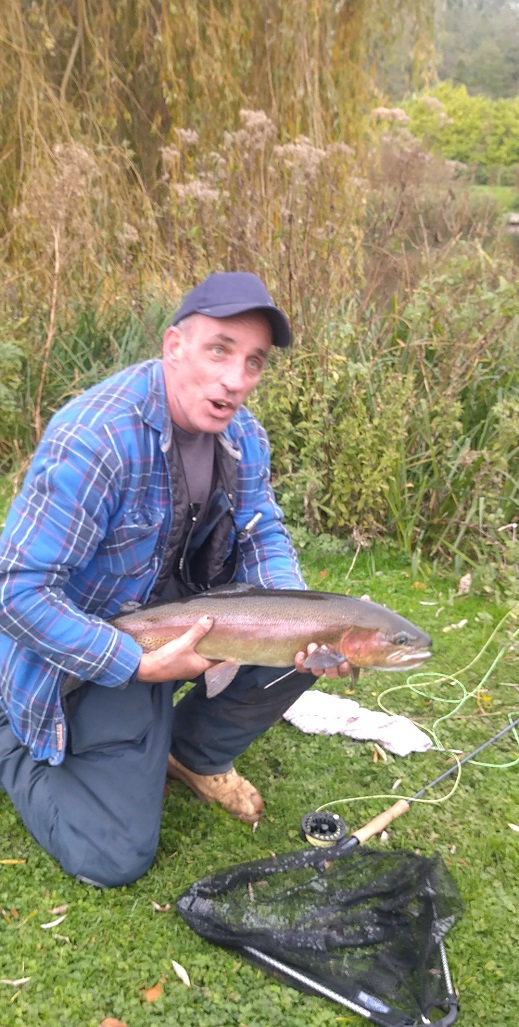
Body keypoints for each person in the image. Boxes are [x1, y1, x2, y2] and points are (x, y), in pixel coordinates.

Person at [0, 271, 350, 888]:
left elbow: (261, 530)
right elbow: (16, 592)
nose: (236, 380)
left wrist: (304, 620)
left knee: (309, 647)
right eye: (220, 350)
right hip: (91, 645)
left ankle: (191, 753)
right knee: (112, 857)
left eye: (253, 362)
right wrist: (135, 665)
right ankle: (9, 735)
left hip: (177, 616)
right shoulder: (97, 439)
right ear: (173, 346)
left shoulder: (242, 436)